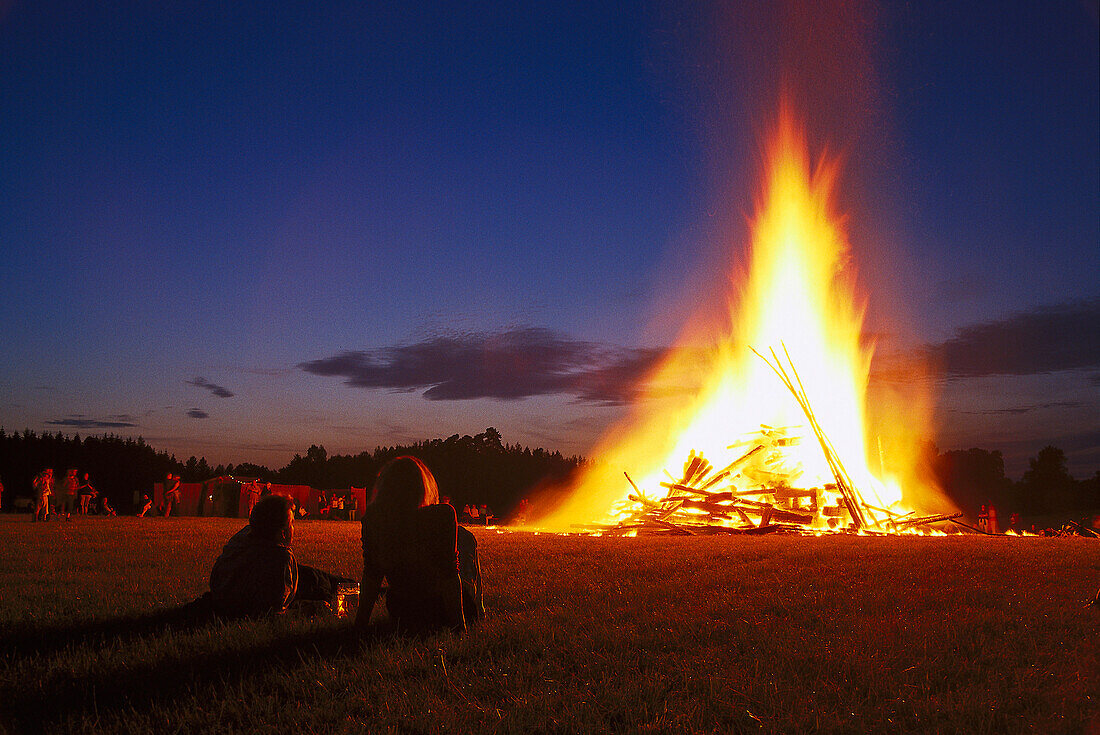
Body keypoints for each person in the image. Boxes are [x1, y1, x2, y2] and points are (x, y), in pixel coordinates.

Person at [356, 456, 483, 634]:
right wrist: (459, 628)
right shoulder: (442, 514)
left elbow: (372, 576)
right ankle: (481, 605)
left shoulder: (374, 518)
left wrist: (359, 625)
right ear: (422, 486)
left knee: (463, 537)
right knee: (466, 539)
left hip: (403, 610)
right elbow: (450, 576)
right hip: (440, 609)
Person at [209, 495, 353, 618]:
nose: (293, 528)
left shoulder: (240, 541)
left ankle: (353, 584)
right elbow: (273, 611)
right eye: (292, 523)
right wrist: (310, 609)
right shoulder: (280, 560)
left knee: (312, 574)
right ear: (282, 532)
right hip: (303, 584)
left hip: (291, 574)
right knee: (320, 583)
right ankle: (355, 587)